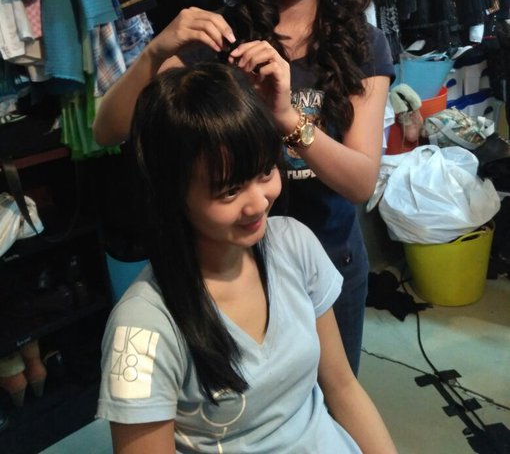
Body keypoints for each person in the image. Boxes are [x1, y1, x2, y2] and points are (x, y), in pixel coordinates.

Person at [93, 0, 394, 374]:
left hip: (330, 265)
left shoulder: (362, 45)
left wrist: (287, 119)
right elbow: (107, 129)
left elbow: (361, 182)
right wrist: (154, 53)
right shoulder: (221, 33)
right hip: (230, 272)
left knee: (331, 400)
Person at [96, 61, 398, 454]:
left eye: (265, 173)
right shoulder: (140, 329)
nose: (258, 203)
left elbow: (343, 388)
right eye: (229, 191)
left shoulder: (295, 245)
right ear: (172, 194)